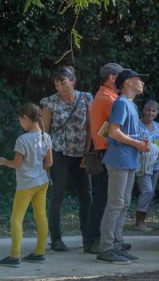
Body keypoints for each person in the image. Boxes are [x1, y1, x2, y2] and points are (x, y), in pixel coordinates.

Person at [98, 69, 150, 263]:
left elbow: (127, 132)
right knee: (116, 204)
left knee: (124, 204)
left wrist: (141, 141)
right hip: (119, 159)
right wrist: (137, 144)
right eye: (139, 79)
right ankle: (106, 248)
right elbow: (114, 132)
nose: (142, 83)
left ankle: (116, 244)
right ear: (127, 82)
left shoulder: (131, 104)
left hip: (128, 159)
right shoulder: (121, 103)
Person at [40, 65, 92, 252]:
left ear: (73, 81)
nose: (59, 85)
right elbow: (44, 133)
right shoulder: (50, 102)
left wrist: (87, 153)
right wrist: (46, 160)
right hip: (58, 154)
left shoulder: (86, 98)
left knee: (86, 196)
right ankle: (56, 240)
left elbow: (90, 128)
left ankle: (88, 239)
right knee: (57, 197)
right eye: (56, 82)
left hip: (80, 155)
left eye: (63, 81)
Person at [0, 103, 53, 267]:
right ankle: (39, 252)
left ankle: (15, 256)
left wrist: (3, 161)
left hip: (26, 184)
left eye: (20, 121)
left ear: (25, 118)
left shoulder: (22, 139)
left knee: (16, 218)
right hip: (42, 182)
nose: (20, 124)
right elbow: (49, 162)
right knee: (41, 217)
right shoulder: (46, 136)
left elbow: (16, 164)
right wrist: (39, 172)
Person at [83, 62, 123, 254]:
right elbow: (122, 124)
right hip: (107, 152)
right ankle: (92, 240)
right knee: (102, 198)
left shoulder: (108, 96)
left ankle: (102, 238)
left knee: (105, 198)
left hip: (106, 152)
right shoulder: (107, 98)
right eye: (122, 77)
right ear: (113, 78)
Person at [134, 100, 159, 231]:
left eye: (154, 110)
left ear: (157, 112)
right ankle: (139, 223)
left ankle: (142, 222)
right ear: (144, 110)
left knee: (149, 194)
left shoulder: (157, 125)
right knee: (147, 191)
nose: (151, 113)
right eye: (148, 110)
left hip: (156, 164)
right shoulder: (137, 125)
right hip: (142, 164)